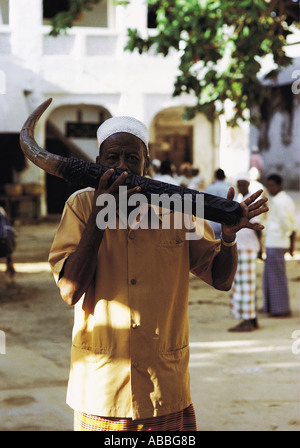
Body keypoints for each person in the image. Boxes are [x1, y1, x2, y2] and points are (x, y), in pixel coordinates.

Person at [48, 116, 268, 431]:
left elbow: (221, 280)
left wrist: (229, 238)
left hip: (164, 385)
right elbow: (71, 291)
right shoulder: (81, 207)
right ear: (97, 164)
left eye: (132, 158)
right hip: (101, 389)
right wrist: (101, 212)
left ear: (147, 165)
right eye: (112, 158)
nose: (122, 166)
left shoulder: (180, 209)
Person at [228, 174, 263, 332]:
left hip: (247, 247)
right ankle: (252, 318)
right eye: (239, 184)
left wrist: (261, 248)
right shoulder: (240, 200)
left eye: (243, 184)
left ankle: (247, 320)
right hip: (241, 246)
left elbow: (258, 229)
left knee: (245, 285)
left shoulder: (250, 201)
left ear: (248, 184)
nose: (241, 186)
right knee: (242, 284)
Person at [262, 174, 296, 317]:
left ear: (279, 185)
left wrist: (283, 233)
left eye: (272, 185)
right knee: (270, 277)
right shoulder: (283, 199)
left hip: (276, 241)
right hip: (275, 241)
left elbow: (286, 223)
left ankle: (280, 309)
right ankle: (272, 307)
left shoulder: (280, 201)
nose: (270, 188)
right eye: (268, 185)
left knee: (276, 277)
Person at [205, 169, 232, 240]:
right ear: (224, 176)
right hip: (227, 222)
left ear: (215, 176)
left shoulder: (210, 188)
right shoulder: (231, 188)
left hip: (212, 222)